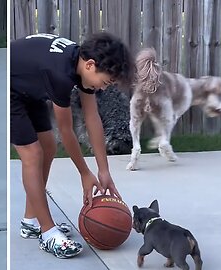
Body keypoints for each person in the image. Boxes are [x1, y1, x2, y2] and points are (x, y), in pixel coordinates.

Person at [10, 32, 134, 258]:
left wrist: (104, 170)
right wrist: (85, 173)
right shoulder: (60, 74)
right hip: (9, 87)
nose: (104, 89)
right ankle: (48, 233)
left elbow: (92, 117)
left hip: (28, 86)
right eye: (105, 82)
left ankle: (30, 222)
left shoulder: (82, 66)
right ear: (90, 65)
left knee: (48, 146)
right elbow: (66, 131)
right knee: (32, 154)